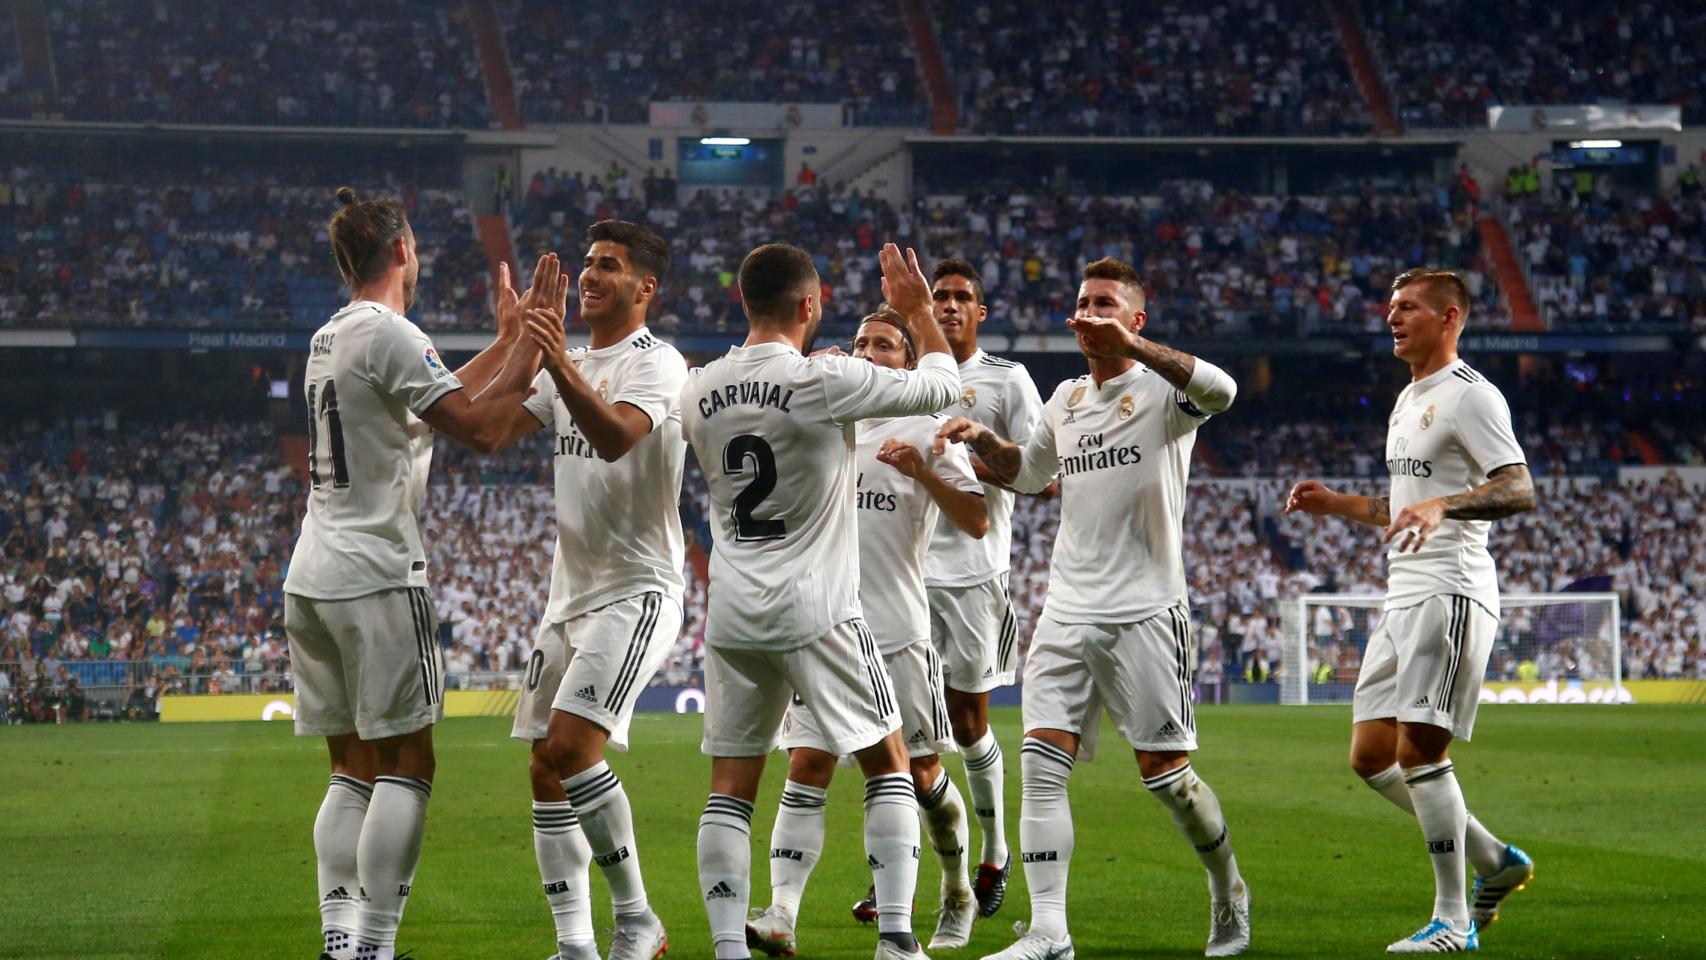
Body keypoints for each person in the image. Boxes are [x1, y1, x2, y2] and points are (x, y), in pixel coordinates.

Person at [937, 257, 1250, 959]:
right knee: (1041, 765)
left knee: (1165, 777)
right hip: (1067, 608)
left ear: (1136, 320)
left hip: (1146, 609)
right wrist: (982, 439)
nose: (1089, 313)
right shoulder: (1067, 397)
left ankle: (1229, 890)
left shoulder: (1164, 395)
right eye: (1082, 302)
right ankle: (1049, 931)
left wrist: (1131, 348)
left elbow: (1224, 391)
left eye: (1105, 304)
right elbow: (1032, 474)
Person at [284, 186, 566, 960]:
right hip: (376, 573)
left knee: (349, 767)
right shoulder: (395, 333)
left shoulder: (331, 334)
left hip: (311, 573)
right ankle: (375, 944)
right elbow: (475, 426)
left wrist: (509, 343)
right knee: (409, 761)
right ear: (404, 250)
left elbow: (436, 393)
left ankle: (341, 942)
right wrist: (535, 348)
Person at [681, 242, 960, 960]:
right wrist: (918, 313)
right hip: (819, 609)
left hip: (734, 614)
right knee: (888, 763)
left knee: (730, 789)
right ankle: (897, 939)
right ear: (812, 306)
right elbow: (940, 386)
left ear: (744, 302)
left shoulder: (698, 387)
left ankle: (728, 948)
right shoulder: (824, 379)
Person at [1284, 268, 1538, 954]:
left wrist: (1445, 506)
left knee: (1421, 752)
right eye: (1390, 307)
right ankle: (1496, 861)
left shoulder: (1470, 397)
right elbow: (1403, 510)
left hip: (1449, 590)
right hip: (1402, 592)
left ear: (1449, 317)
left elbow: (1518, 489)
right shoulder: (1407, 399)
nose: (1393, 317)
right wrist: (1339, 504)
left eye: (1409, 308)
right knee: (1371, 756)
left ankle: (1453, 920)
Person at [746, 308, 989, 956]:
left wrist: (923, 471)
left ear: (909, 363)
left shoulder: (930, 426)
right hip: (824, 631)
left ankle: (958, 888)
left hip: (896, 632)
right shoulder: (826, 422)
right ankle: (782, 913)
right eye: (861, 343)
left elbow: (977, 520)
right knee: (807, 762)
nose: (870, 352)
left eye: (885, 344)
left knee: (921, 774)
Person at [490, 221, 689, 960]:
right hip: (566, 596)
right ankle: (574, 944)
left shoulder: (659, 364)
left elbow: (614, 437)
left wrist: (554, 363)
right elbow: (487, 430)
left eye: (609, 266)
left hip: (638, 589)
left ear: (645, 288)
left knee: (574, 746)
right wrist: (517, 346)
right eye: (587, 264)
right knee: (544, 763)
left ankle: (638, 921)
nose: (590, 275)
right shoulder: (563, 360)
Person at [921, 258, 1045, 916]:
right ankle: (913, 867)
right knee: (905, 734)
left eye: (961, 297)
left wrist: (975, 453)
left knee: (968, 725)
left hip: (972, 573)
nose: (948, 305)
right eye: (939, 296)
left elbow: (1044, 477)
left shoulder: (1007, 380)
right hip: (902, 577)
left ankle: (996, 851)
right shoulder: (908, 376)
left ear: (980, 312)